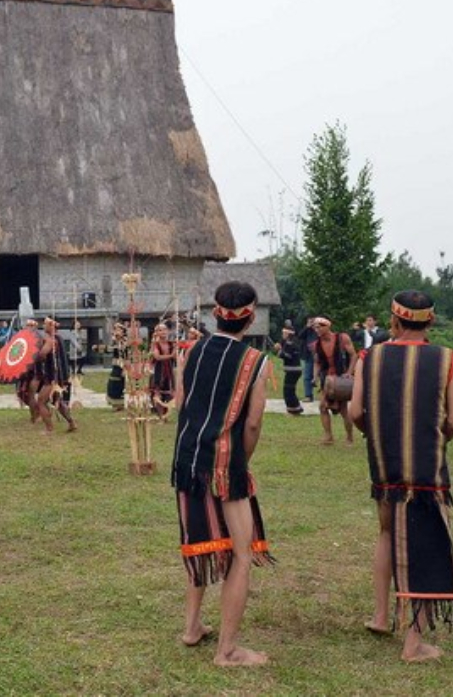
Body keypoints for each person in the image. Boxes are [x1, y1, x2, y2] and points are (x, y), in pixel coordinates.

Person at [171, 281, 273, 667]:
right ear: (250, 316)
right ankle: (228, 651)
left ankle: (192, 627)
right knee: (241, 555)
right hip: (226, 464)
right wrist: (239, 462)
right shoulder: (256, 361)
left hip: (187, 460)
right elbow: (252, 424)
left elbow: (181, 403)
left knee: (198, 541)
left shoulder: (191, 350)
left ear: (216, 313)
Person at [350, 291, 453, 663]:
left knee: (386, 532)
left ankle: (380, 616)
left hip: (385, 463)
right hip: (426, 470)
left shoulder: (370, 356)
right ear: (429, 322)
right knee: (425, 543)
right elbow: (452, 419)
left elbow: (356, 410)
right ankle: (414, 644)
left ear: (394, 321)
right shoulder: (445, 360)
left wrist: (376, 433)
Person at [313, 316, 357, 444]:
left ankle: (349, 437)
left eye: (319, 326)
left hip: (340, 378)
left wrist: (349, 373)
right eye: (315, 327)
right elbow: (317, 362)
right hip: (326, 379)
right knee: (323, 407)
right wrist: (314, 377)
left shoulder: (342, 338)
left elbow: (353, 355)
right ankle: (328, 436)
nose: (317, 329)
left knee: (343, 409)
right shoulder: (317, 344)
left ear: (327, 326)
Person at [34, 317, 77, 433]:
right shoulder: (58, 338)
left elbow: (42, 354)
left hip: (52, 376)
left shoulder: (51, 340)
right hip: (59, 375)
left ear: (51, 326)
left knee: (41, 402)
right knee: (57, 401)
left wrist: (34, 354)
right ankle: (72, 423)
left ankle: (49, 429)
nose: (43, 326)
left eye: (45, 324)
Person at [275, 321, 304, 415]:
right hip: (293, 370)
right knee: (290, 390)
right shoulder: (289, 342)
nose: (282, 335)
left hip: (293, 370)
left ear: (288, 334)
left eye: (284, 333)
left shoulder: (291, 343)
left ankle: (294, 410)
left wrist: (279, 350)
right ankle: (295, 409)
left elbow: (287, 356)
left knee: (288, 391)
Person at [150, 322, 176, 420]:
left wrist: (176, 352)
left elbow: (176, 357)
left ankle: (166, 416)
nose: (163, 332)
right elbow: (157, 357)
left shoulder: (171, 344)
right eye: (160, 330)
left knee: (169, 394)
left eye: (165, 329)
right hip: (158, 371)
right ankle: (160, 416)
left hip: (169, 371)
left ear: (168, 331)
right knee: (158, 393)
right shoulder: (155, 344)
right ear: (157, 333)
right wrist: (171, 356)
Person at [297, 316, 318, 402]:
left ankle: (327, 395)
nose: (311, 323)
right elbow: (300, 336)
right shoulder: (307, 331)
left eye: (312, 321)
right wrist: (307, 327)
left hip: (319, 355)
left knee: (322, 376)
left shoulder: (319, 330)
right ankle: (308, 395)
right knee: (307, 376)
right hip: (309, 356)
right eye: (309, 321)